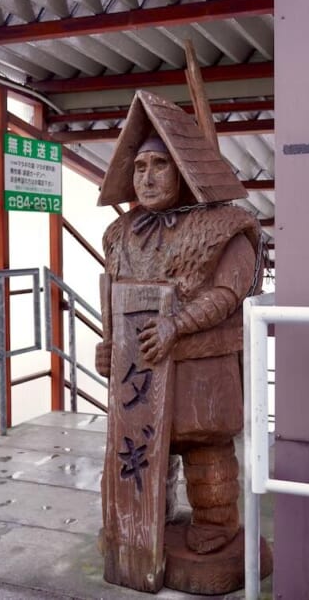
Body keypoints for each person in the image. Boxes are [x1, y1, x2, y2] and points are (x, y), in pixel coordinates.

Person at [96, 91, 262, 559]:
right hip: (142, 375)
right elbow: (113, 294)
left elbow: (229, 293)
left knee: (205, 448)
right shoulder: (120, 232)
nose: (147, 177)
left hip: (201, 371)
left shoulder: (224, 226)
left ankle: (216, 522)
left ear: (184, 168)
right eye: (140, 166)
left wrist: (177, 324)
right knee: (144, 452)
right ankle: (147, 514)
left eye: (159, 165)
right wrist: (109, 345)